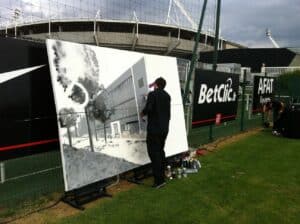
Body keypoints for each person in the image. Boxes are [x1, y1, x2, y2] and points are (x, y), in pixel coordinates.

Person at [140, 77, 171, 189]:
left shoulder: (153, 95)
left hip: (154, 129)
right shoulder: (167, 96)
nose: (153, 87)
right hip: (164, 129)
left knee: (154, 154)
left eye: (154, 85)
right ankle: (164, 173)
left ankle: (159, 181)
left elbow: (149, 108)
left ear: (156, 85)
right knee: (160, 151)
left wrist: (142, 113)